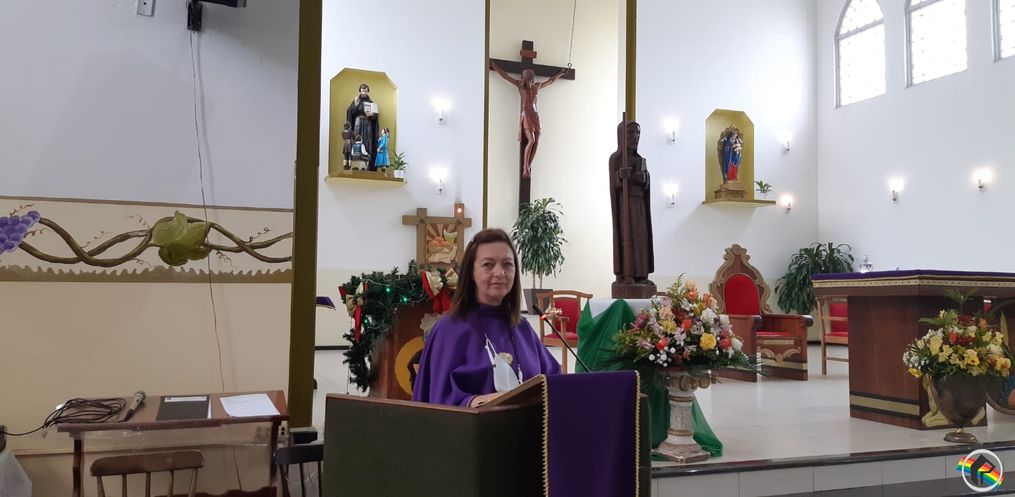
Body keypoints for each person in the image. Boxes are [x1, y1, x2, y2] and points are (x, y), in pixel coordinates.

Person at [412, 228, 561, 407]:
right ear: (471, 273)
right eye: (488, 264)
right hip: (474, 425)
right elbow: (437, 400)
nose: (500, 273)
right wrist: (481, 401)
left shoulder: (522, 327)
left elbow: (554, 383)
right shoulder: (448, 330)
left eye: (507, 264)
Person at [489, 62, 568, 178]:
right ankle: (525, 167)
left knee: (537, 142)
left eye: (531, 78)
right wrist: (494, 65)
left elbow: (550, 81)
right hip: (526, 114)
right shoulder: (520, 86)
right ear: (524, 78)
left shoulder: (537, 86)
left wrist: (560, 73)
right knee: (531, 140)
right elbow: (506, 76)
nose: (530, 80)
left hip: (535, 115)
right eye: (528, 78)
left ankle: (528, 166)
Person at [609, 120, 654, 285]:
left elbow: (646, 182)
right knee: (628, 239)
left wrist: (645, 178)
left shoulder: (640, 159)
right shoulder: (616, 159)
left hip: (640, 205)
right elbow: (614, 183)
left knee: (641, 239)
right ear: (622, 135)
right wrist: (621, 177)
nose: (635, 137)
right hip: (625, 206)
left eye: (638, 133)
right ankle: (627, 274)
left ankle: (642, 275)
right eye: (630, 133)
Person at [346, 83, 379, 166]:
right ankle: (356, 163)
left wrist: (372, 114)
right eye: (362, 90)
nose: (364, 92)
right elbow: (350, 112)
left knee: (368, 140)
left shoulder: (371, 103)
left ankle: (367, 164)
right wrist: (355, 105)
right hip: (358, 123)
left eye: (366, 91)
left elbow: (375, 116)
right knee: (357, 139)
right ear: (360, 91)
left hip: (368, 124)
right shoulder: (356, 101)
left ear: (368, 91)